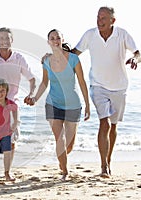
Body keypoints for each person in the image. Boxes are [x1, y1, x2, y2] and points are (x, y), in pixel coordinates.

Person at [71, 6, 141, 178]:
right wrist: (56, 54)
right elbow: (74, 53)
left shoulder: (122, 34)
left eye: (103, 18)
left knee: (113, 126)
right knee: (105, 123)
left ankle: (108, 161)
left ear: (113, 21)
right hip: (98, 86)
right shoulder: (90, 35)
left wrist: (134, 59)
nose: (99, 21)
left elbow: (139, 53)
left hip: (119, 87)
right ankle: (103, 166)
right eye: (98, 17)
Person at [26, 29, 90, 181]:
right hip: (53, 104)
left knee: (69, 145)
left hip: (73, 105)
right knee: (59, 138)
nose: (55, 41)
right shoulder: (46, 61)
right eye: (52, 38)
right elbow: (44, 82)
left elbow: (81, 82)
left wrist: (87, 104)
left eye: (58, 38)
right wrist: (35, 98)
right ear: (48, 42)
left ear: (62, 40)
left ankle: (62, 160)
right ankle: (65, 172)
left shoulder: (74, 59)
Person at [0, 27, 36, 165]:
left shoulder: (19, 58)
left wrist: (31, 93)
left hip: (12, 105)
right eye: (2, 38)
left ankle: (7, 171)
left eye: (7, 38)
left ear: (12, 40)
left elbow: (32, 79)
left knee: (12, 138)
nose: (4, 41)